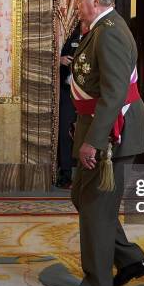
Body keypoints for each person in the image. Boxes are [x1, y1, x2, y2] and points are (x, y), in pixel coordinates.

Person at [57, 0, 144, 286]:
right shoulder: (99, 29)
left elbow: (113, 94)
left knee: (96, 207)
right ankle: (129, 259)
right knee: (87, 199)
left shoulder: (109, 33)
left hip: (112, 130)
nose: (77, 6)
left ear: (95, 0)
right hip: (97, 123)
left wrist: (93, 141)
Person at [57, 22, 87, 189]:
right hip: (68, 92)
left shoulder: (98, 36)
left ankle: (89, 176)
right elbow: (54, 55)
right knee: (64, 133)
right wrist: (59, 60)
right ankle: (66, 175)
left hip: (89, 94)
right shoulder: (69, 35)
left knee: (88, 132)